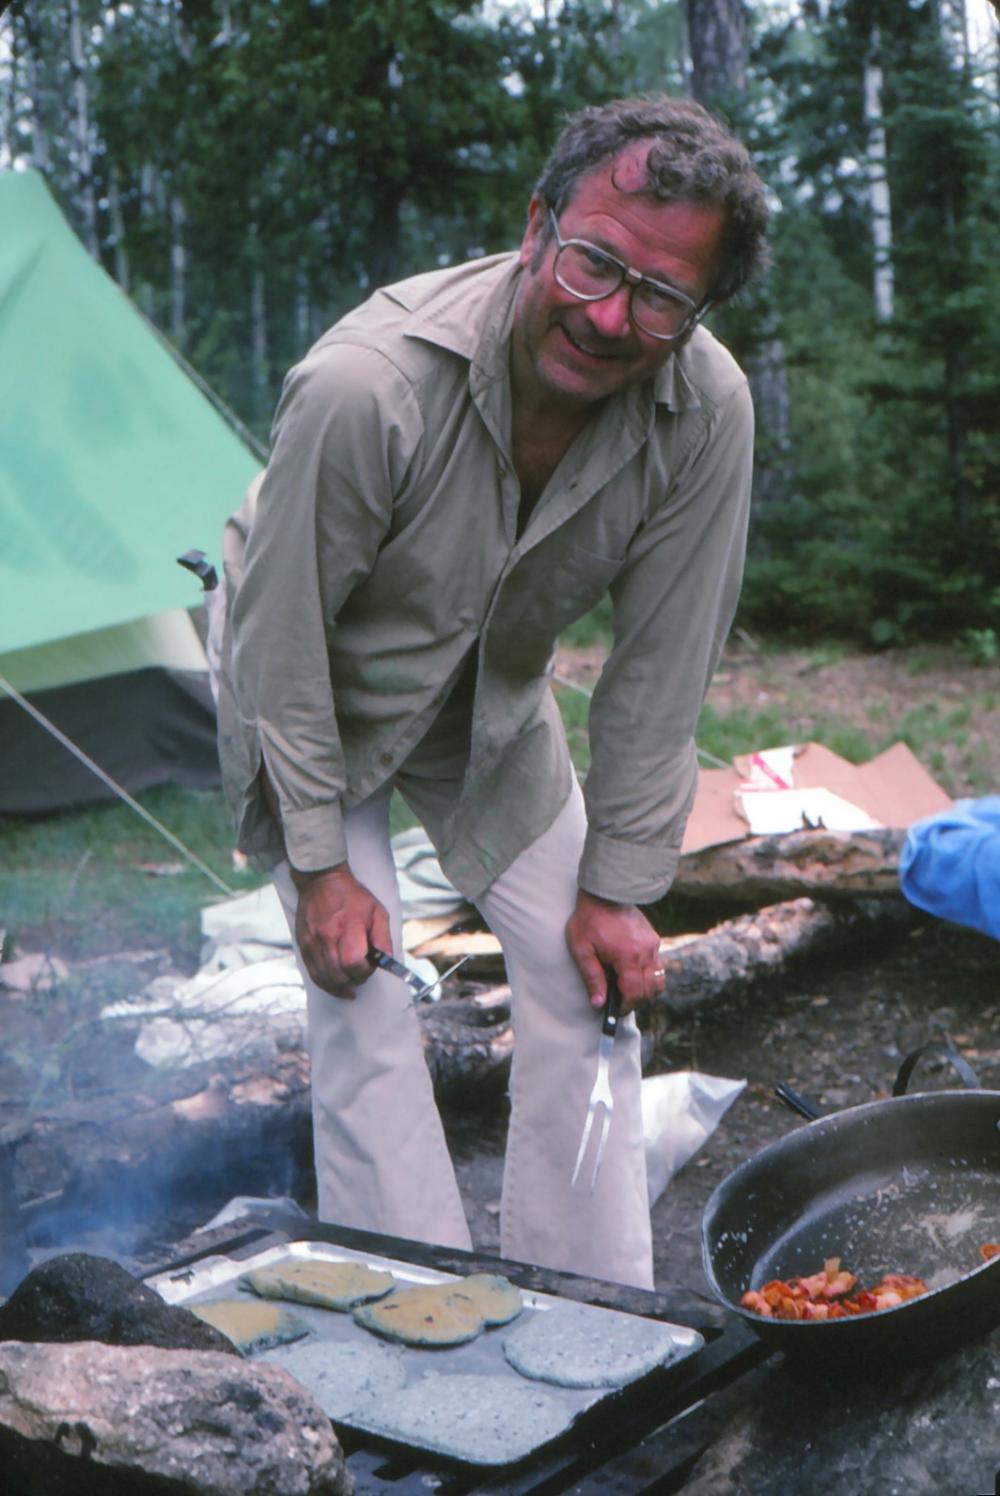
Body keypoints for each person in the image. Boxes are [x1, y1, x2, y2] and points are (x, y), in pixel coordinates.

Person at [217, 94, 769, 1290]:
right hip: (305, 673)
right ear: (537, 226)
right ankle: (415, 1319)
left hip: (490, 696)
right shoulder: (367, 384)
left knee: (589, 985)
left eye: (663, 298)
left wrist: (622, 889)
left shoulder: (706, 412)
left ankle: (592, 1315)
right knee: (362, 1002)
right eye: (592, 262)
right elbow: (279, 635)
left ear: (699, 308)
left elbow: (660, 671)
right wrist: (320, 863)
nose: (613, 317)